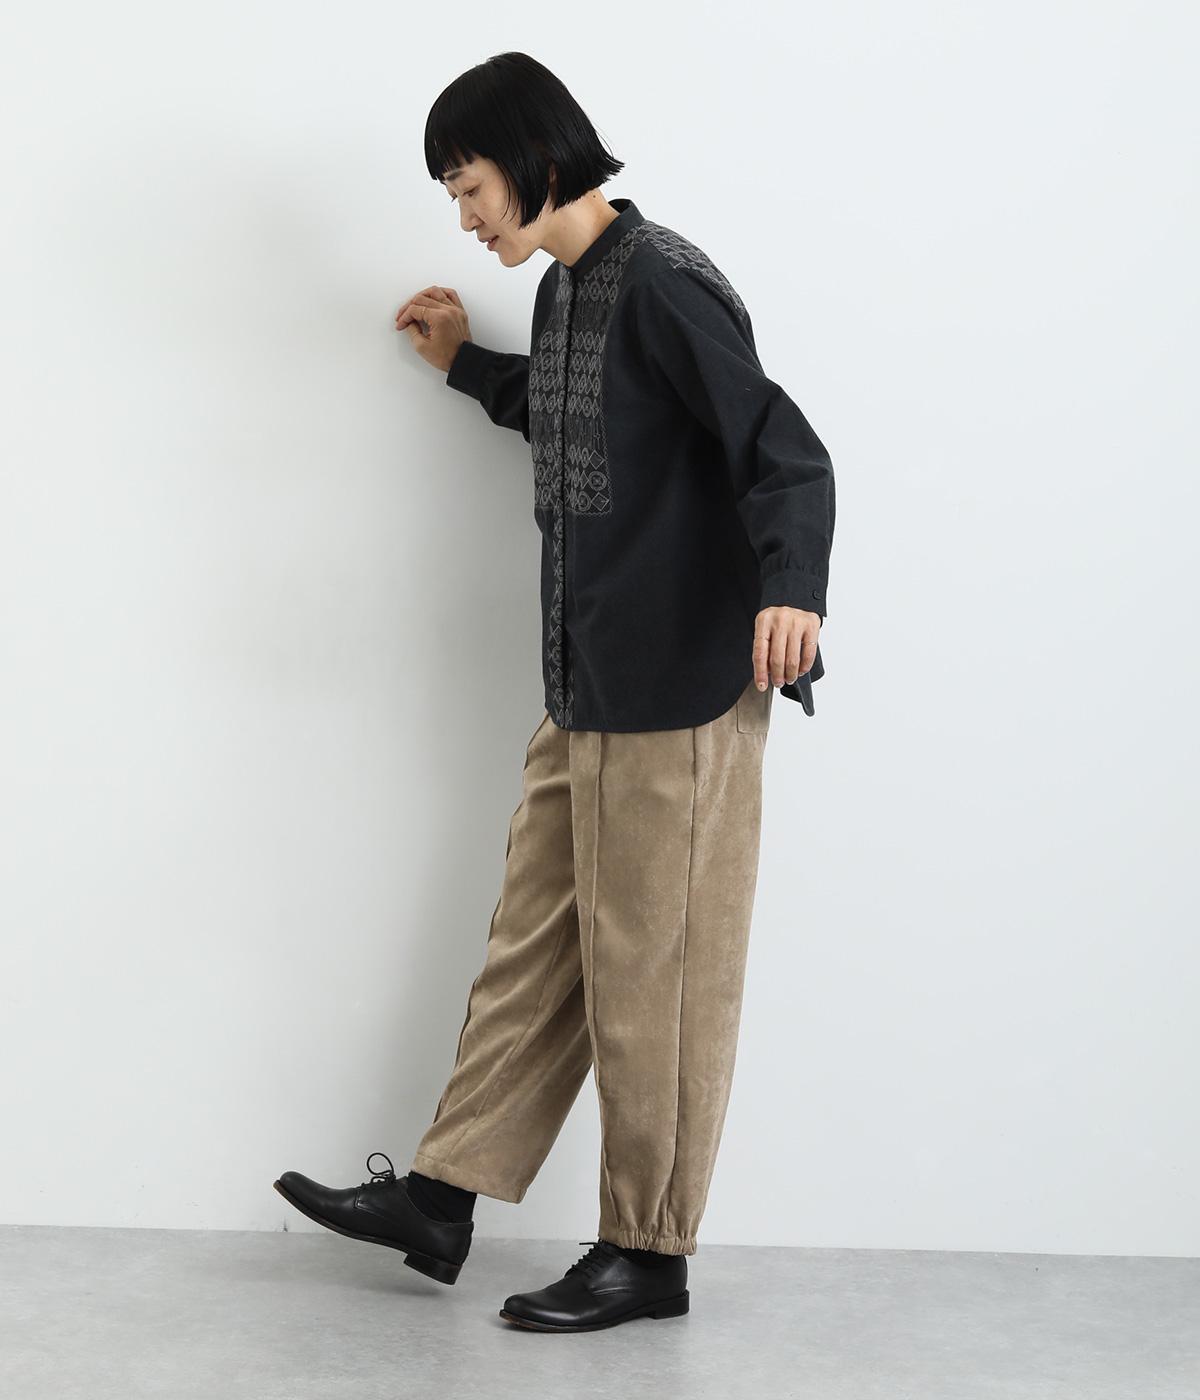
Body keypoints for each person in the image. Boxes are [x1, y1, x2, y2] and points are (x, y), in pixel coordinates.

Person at [274, 50, 836, 1334]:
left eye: (469, 187)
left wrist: (793, 587)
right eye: (453, 197)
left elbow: (784, 450)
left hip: (679, 696)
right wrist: (466, 364)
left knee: (658, 980)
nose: (464, 217)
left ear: (534, 161)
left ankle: (648, 1250)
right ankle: (442, 1195)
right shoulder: (572, 287)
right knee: (532, 951)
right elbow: (576, 414)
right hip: (585, 685)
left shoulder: (666, 281)